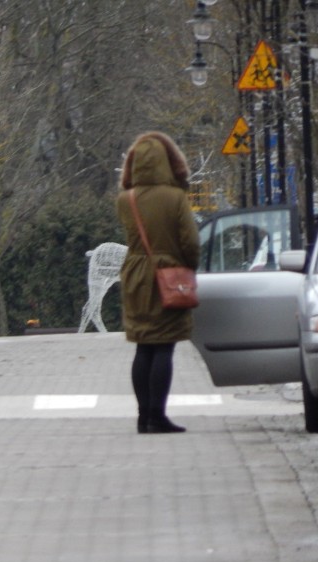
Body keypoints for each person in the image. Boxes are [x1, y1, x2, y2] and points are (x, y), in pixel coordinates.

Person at [116, 132, 200, 434]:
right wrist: (189, 266)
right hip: (167, 272)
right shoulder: (175, 197)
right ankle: (157, 416)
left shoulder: (127, 199)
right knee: (164, 345)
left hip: (135, 273)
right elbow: (189, 241)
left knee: (143, 345)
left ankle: (142, 417)